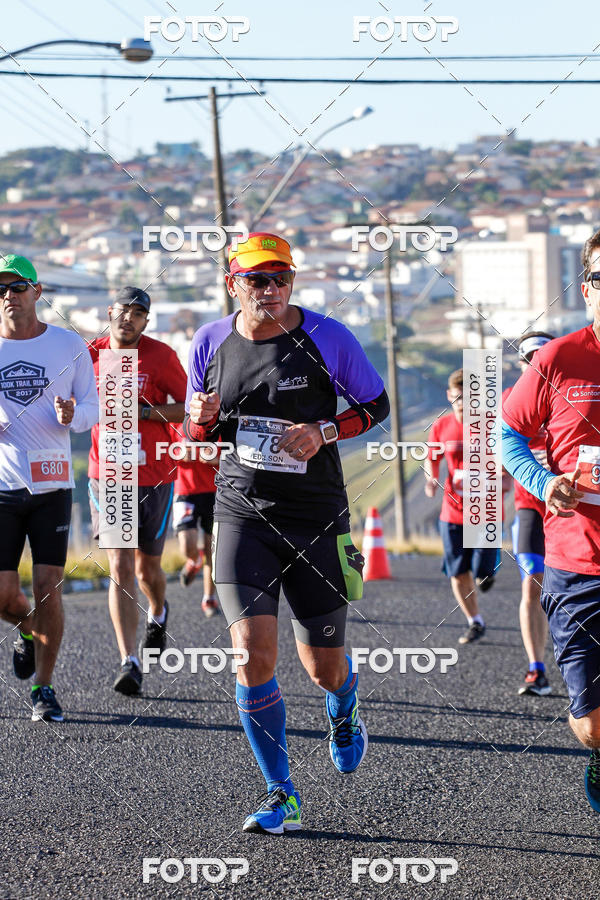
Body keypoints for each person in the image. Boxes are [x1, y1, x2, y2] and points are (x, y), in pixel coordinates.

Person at [184, 232, 389, 835]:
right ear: (233, 284)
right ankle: (281, 793)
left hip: (315, 516)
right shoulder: (209, 341)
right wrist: (198, 425)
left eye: (280, 279)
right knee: (252, 656)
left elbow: (375, 407)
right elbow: (205, 431)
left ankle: (343, 704)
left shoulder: (327, 336)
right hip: (241, 512)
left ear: (292, 282)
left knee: (322, 666)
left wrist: (324, 430)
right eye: (256, 280)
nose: (269, 290)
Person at [503, 227, 600, 812]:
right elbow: (509, 434)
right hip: (578, 560)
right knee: (590, 723)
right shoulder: (559, 358)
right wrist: (543, 482)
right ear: (587, 289)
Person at [0, 254, 98, 721]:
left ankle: (44, 687)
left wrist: (71, 417)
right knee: (3, 596)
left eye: (16, 287)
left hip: (52, 483)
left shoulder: (67, 345)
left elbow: (92, 408)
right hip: (1, 487)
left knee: (47, 587)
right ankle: (26, 631)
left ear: (37, 292)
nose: (7, 296)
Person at [88, 286, 187, 695]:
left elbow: (189, 405)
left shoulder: (161, 356)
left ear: (146, 321)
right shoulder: (89, 355)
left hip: (155, 476)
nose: (128, 318)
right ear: (109, 312)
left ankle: (159, 613)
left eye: (138, 313)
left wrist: (144, 412)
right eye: (123, 311)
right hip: (108, 474)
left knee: (148, 570)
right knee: (121, 568)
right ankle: (129, 661)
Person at [425, 369, 500, 645]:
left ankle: (488, 573)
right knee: (457, 571)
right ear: (449, 396)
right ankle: (475, 621)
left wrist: (500, 479)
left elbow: (505, 458)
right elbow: (432, 458)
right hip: (452, 511)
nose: (462, 404)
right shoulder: (441, 426)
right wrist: (431, 479)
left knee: (482, 572)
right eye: (457, 398)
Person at [503, 332, 554, 697]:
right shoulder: (508, 400)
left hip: (576, 506)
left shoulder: (573, 391)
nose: (536, 363)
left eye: (542, 356)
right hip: (529, 505)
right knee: (531, 582)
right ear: (520, 364)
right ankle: (536, 668)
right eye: (529, 358)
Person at [173, 442, 219, 616]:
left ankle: (209, 598)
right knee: (186, 545)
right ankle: (194, 560)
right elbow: (163, 451)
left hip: (215, 491)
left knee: (212, 550)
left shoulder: (221, 419)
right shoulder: (175, 418)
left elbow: (235, 454)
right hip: (185, 490)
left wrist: (217, 458)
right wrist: (179, 453)